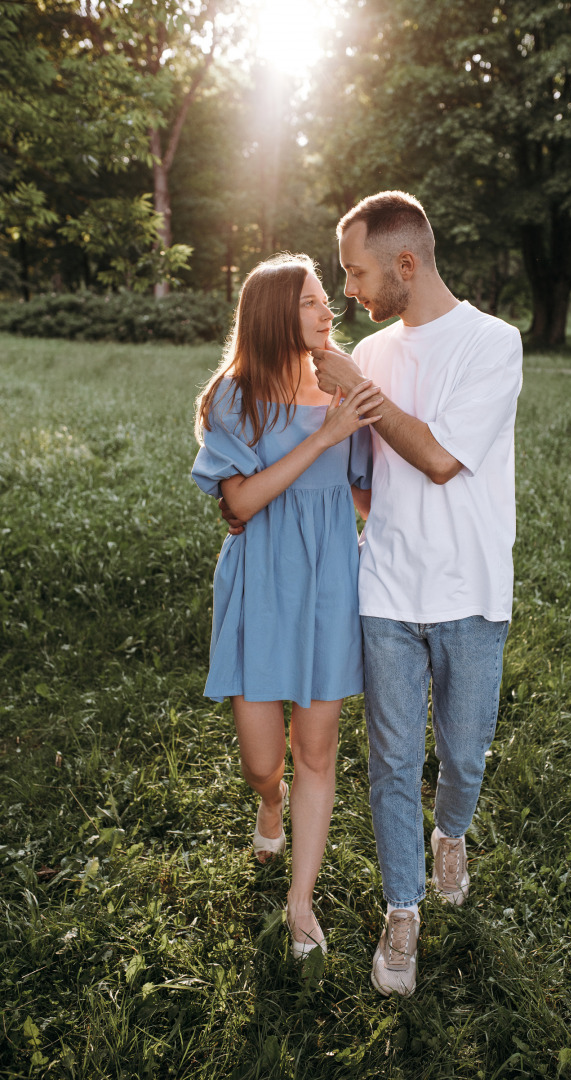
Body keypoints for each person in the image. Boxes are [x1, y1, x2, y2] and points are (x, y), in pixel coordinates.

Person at [310, 191, 524, 996]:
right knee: (394, 761)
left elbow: (437, 459)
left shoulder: (492, 344)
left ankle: (452, 833)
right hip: (388, 589)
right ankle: (403, 912)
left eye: (359, 273)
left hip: (470, 590)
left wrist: (361, 395)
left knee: (461, 756)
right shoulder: (368, 355)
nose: (351, 291)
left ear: (406, 263)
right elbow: (367, 476)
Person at [191, 253, 381, 960]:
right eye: (311, 301)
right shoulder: (236, 397)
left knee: (317, 750)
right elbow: (237, 501)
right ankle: (268, 803)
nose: (328, 309)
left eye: (327, 297)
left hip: (331, 583)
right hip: (261, 585)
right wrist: (324, 439)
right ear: (275, 313)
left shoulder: (343, 387)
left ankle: (301, 903)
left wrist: (352, 409)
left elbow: (367, 492)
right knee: (261, 762)